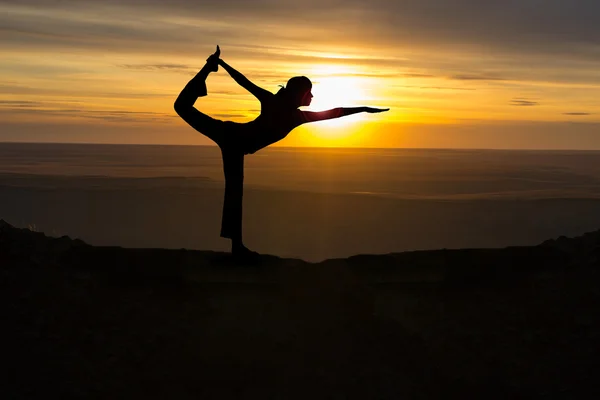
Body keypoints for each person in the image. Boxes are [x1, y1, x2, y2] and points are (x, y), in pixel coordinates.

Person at [174, 46, 389, 259]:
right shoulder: (285, 111)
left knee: (234, 191)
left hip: (234, 142)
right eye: (310, 93)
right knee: (182, 107)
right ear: (300, 94)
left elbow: (336, 112)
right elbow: (243, 81)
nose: (312, 97)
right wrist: (220, 64)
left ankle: (237, 247)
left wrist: (364, 109)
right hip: (231, 136)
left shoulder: (292, 114)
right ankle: (207, 69)